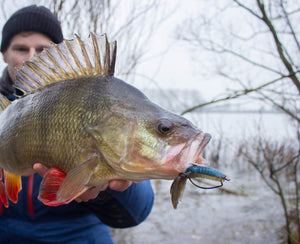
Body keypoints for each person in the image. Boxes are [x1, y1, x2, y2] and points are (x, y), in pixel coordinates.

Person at [0, 5, 154, 244]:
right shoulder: (3, 114)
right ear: (4, 54)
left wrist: (105, 188)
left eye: (43, 49)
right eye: (21, 48)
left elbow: (136, 213)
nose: (31, 57)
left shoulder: (105, 103)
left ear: (58, 54)